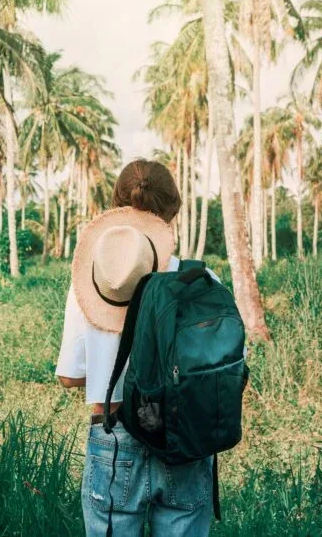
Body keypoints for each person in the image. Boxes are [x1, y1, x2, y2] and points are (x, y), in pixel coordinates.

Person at [56, 159, 216, 537]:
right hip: (186, 438)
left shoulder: (92, 283)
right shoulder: (202, 279)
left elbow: (68, 376)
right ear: (173, 211)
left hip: (114, 437)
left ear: (120, 207)